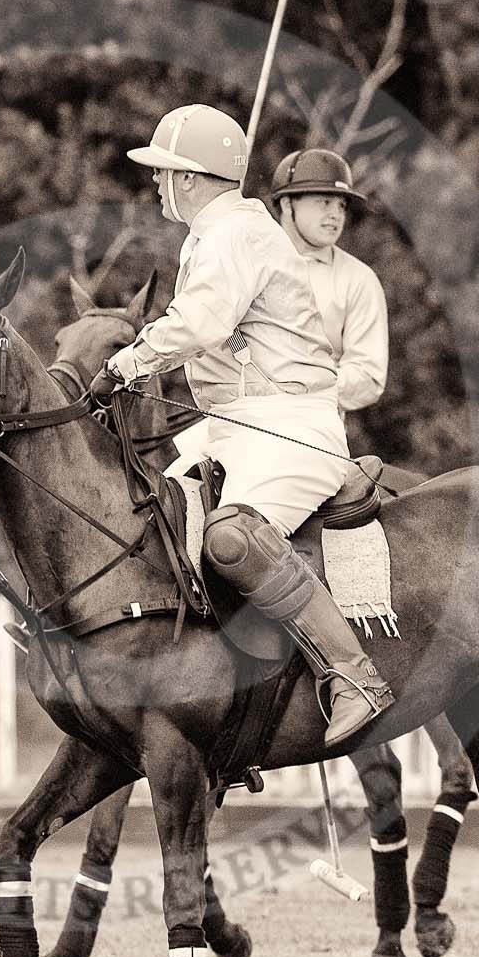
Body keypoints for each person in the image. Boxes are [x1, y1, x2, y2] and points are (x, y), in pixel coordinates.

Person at [86, 104, 392, 746]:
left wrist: (126, 362)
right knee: (150, 518)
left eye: (162, 171)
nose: (156, 182)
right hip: (233, 426)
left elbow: (200, 324)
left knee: (232, 538)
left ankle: (352, 674)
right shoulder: (212, 234)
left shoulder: (236, 234)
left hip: (290, 426)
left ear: (189, 177)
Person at [268, 148, 387, 413]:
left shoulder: (359, 279)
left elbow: (368, 376)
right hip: (237, 415)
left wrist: (302, 388)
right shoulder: (248, 263)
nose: (336, 214)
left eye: (341, 205)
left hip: (313, 423)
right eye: (324, 202)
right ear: (287, 204)